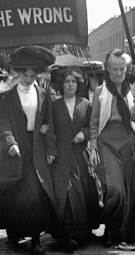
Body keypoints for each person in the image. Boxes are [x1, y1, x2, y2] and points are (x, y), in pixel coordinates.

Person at [0, 45, 57, 255]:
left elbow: (49, 123)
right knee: (14, 193)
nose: (29, 78)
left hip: (37, 148)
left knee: (36, 194)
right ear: (18, 73)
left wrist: (49, 145)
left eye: (33, 75)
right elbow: (2, 124)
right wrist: (10, 142)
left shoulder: (43, 94)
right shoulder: (6, 97)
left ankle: (36, 239)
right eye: (25, 74)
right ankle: (14, 232)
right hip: (15, 150)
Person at [88, 49, 135, 251]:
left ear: (126, 69)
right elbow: (94, 123)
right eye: (114, 69)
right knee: (116, 190)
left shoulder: (133, 91)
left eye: (122, 69)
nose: (119, 73)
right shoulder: (101, 92)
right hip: (107, 145)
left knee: (129, 192)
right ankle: (110, 224)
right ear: (108, 69)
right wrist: (93, 147)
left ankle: (119, 233)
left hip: (129, 144)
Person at [50, 66, 93, 251]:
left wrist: (84, 133)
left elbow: (93, 125)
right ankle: (65, 234)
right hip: (62, 155)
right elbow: (50, 129)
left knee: (82, 192)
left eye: (73, 82)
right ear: (62, 84)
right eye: (67, 81)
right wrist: (51, 150)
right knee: (64, 193)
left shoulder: (86, 104)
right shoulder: (53, 106)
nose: (70, 85)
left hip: (80, 156)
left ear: (78, 84)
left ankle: (82, 233)